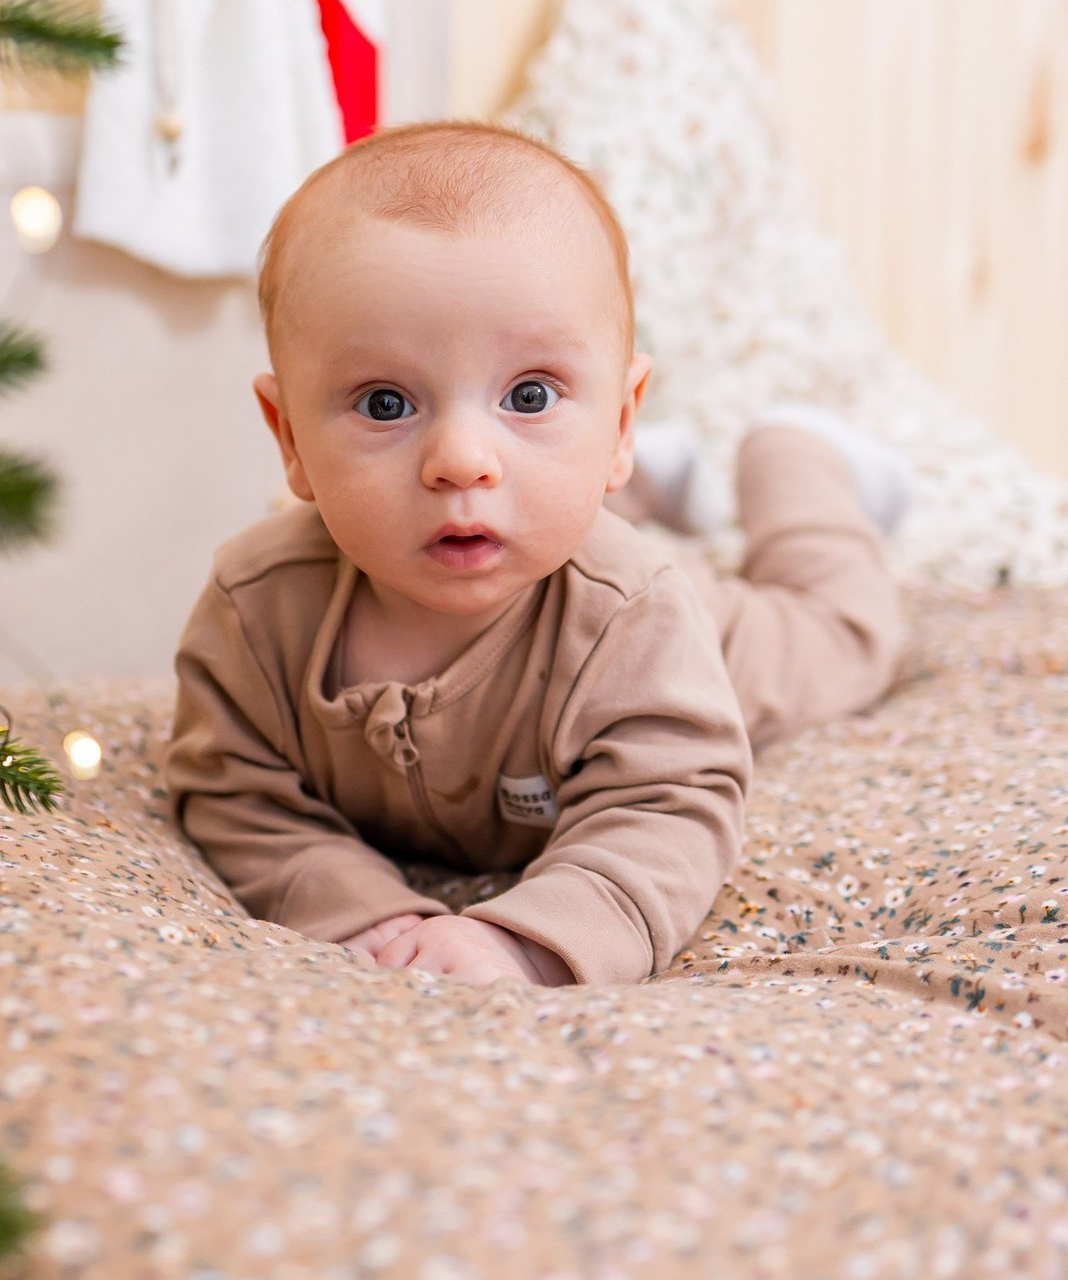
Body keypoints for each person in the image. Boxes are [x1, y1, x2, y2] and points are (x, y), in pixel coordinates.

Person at [164, 121, 908, 988]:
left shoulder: (638, 614)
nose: (460, 459)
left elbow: (664, 808)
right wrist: (359, 908)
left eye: (527, 394)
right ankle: (613, 471)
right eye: (385, 403)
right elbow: (233, 791)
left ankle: (794, 458)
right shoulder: (257, 609)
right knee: (534, 490)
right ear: (288, 437)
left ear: (619, 418)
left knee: (845, 637)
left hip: (699, 632)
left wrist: (527, 942)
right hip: (561, 515)